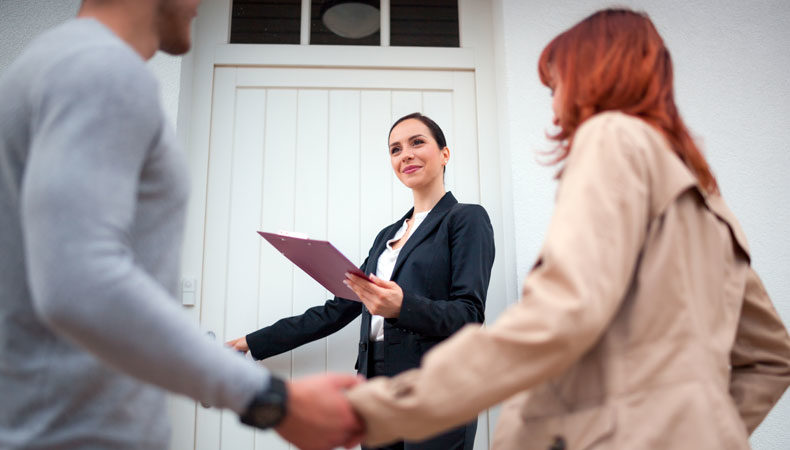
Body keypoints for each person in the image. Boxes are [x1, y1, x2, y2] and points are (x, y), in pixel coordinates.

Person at [345, 8, 790, 449]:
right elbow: (772, 359)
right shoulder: (705, 194)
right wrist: (703, 434)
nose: (555, 108)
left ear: (594, 77)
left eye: (556, 86)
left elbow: (555, 320)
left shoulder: (611, 136)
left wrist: (392, 406)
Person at [0, 1, 361, 449]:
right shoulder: (102, 68)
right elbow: (81, 282)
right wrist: (273, 400)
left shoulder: (47, 62)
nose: (198, 5)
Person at [227, 112, 495, 450]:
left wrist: (403, 307)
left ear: (445, 154)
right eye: (395, 149)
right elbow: (338, 310)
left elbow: (469, 315)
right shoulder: (387, 235)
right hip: (375, 385)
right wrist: (254, 342)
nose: (405, 155)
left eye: (417, 142)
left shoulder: (466, 219)